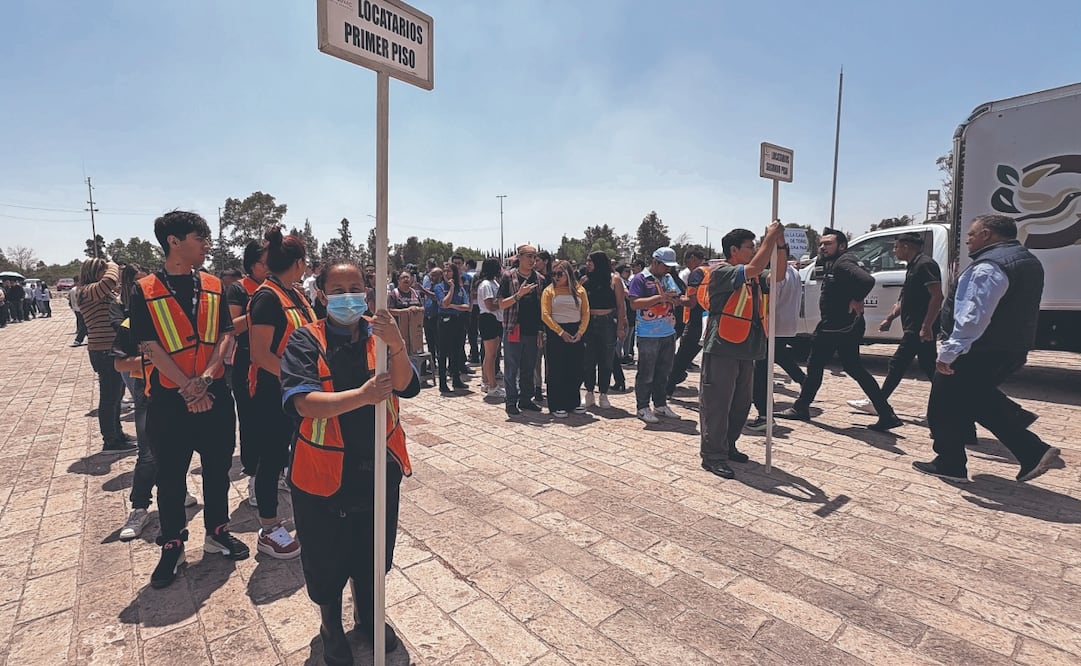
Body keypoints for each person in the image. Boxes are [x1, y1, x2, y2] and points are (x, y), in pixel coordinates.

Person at [280, 261, 420, 660]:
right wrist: (362, 395)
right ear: (321, 294)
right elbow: (303, 403)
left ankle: (369, 617)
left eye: (355, 287)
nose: (347, 296)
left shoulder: (379, 336)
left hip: (377, 467)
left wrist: (396, 344)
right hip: (323, 474)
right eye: (337, 289)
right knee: (326, 559)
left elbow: (407, 386)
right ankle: (331, 626)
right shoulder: (305, 341)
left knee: (373, 552)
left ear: (368, 291)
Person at [130, 211, 248, 588]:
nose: (207, 245)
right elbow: (149, 346)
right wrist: (186, 386)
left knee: (217, 470)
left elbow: (225, 336)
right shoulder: (144, 289)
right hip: (169, 400)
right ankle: (172, 545)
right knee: (170, 477)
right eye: (200, 238)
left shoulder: (215, 285)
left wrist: (206, 378)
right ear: (174, 242)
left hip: (213, 391)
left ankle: (217, 532)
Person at [914, 214, 1064, 483]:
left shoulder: (988, 267)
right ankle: (1030, 448)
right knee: (973, 399)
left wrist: (949, 352)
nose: (968, 240)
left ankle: (951, 463)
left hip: (977, 350)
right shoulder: (1027, 260)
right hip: (1009, 348)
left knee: (942, 406)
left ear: (987, 234)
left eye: (971, 234)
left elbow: (973, 316)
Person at [777, 228, 903, 431]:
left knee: (815, 365)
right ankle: (887, 414)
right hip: (845, 325)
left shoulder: (843, 262)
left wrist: (857, 298)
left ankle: (801, 408)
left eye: (828, 244)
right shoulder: (835, 262)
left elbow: (867, 280)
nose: (822, 247)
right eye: (821, 244)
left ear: (842, 246)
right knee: (854, 368)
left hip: (836, 326)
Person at [247, 226, 314, 558]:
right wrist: (297, 377)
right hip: (273, 392)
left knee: (295, 456)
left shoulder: (295, 294)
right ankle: (269, 527)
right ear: (299, 263)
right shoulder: (266, 298)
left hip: (297, 390)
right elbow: (260, 354)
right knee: (271, 459)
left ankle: (299, 517)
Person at [699, 224, 786, 479]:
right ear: (733, 250)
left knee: (740, 404)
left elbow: (778, 274)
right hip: (723, 347)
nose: (754, 250)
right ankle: (713, 455)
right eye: (750, 247)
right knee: (717, 404)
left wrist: (780, 244)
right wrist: (770, 237)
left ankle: (728, 445)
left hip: (748, 347)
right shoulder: (723, 272)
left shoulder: (754, 276)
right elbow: (757, 267)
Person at [848, 232, 943, 415]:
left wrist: (926, 325)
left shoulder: (925, 265)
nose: (894, 251)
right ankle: (947, 406)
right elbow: (906, 298)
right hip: (914, 326)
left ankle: (878, 402)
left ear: (906, 247)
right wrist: (890, 318)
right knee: (929, 367)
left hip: (918, 327)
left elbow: (937, 296)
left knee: (897, 364)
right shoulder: (914, 266)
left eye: (896, 247)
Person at [227, 240, 269, 506]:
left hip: (273, 361)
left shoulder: (278, 287)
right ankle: (254, 477)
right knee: (252, 421)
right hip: (246, 362)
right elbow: (231, 326)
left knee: (275, 421)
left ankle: (275, 472)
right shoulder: (239, 289)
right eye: (266, 262)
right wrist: (259, 312)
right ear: (253, 264)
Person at [78, 258, 134, 453]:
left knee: (116, 394)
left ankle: (117, 433)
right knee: (110, 396)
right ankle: (110, 439)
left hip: (108, 348)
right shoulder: (87, 291)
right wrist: (113, 264)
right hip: (103, 349)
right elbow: (109, 281)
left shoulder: (94, 292)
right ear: (95, 272)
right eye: (103, 271)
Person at [747, 258, 806, 430]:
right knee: (779, 356)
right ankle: (805, 382)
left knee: (762, 370)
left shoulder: (776, 276)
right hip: (787, 325)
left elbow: (769, 303)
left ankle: (764, 413)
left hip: (773, 325)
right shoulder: (793, 272)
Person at [628, 247, 682, 423]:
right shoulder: (640, 279)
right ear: (655, 262)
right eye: (665, 266)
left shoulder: (668, 278)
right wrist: (659, 298)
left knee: (663, 371)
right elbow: (635, 303)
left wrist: (674, 299)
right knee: (646, 372)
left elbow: (676, 297)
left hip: (668, 331)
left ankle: (660, 404)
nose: (668, 269)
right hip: (647, 334)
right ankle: (642, 406)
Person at [497, 245, 543, 416]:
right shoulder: (508, 277)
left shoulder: (539, 278)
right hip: (513, 329)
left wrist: (540, 330)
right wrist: (519, 295)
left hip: (532, 331)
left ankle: (526, 399)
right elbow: (500, 303)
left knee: (528, 367)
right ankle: (511, 401)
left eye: (534, 257)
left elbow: (541, 308)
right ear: (520, 257)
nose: (532, 260)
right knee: (511, 367)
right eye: (529, 256)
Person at [540, 260, 590, 417]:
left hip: (576, 331)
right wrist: (560, 332)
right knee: (556, 369)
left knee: (575, 368)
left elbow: (586, 312)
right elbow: (545, 314)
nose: (556, 277)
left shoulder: (579, 290)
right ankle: (556, 405)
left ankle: (573, 402)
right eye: (553, 274)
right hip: (557, 333)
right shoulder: (549, 291)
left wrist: (580, 332)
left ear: (568, 273)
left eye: (559, 274)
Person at [580, 251, 627, 410]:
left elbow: (621, 305)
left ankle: (604, 393)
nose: (588, 264)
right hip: (588, 324)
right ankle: (589, 392)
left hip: (607, 322)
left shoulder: (614, 280)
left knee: (606, 360)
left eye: (590, 261)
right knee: (588, 360)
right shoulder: (585, 280)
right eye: (587, 261)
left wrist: (620, 326)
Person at [666, 249, 707, 397]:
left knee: (682, 358)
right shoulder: (714, 271)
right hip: (714, 321)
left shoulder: (697, 273)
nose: (688, 266)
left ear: (694, 258)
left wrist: (677, 300)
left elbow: (691, 302)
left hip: (697, 322)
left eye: (688, 262)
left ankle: (667, 390)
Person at [433, 263, 470, 394]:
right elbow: (444, 303)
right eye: (444, 271)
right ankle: (443, 383)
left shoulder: (462, 289)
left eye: (449, 271)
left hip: (458, 321)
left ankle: (456, 379)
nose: (446, 273)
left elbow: (467, 306)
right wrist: (451, 289)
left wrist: (453, 306)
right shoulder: (439, 287)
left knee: (457, 350)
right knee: (443, 352)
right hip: (445, 321)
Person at [476, 258, 506, 398]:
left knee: (491, 354)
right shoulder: (486, 285)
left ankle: (486, 380)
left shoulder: (494, 282)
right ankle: (493, 386)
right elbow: (489, 305)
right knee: (491, 355)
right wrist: (504, 304)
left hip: (496, 319)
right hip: (489, 319)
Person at [69, 277, 87, 345]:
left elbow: (70, 301)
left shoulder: (72, 290)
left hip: (76, 309)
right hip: (81, 309)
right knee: (84, 325)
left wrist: (73, 307)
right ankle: (78, 339)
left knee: (82, 323)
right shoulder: (79, 290)